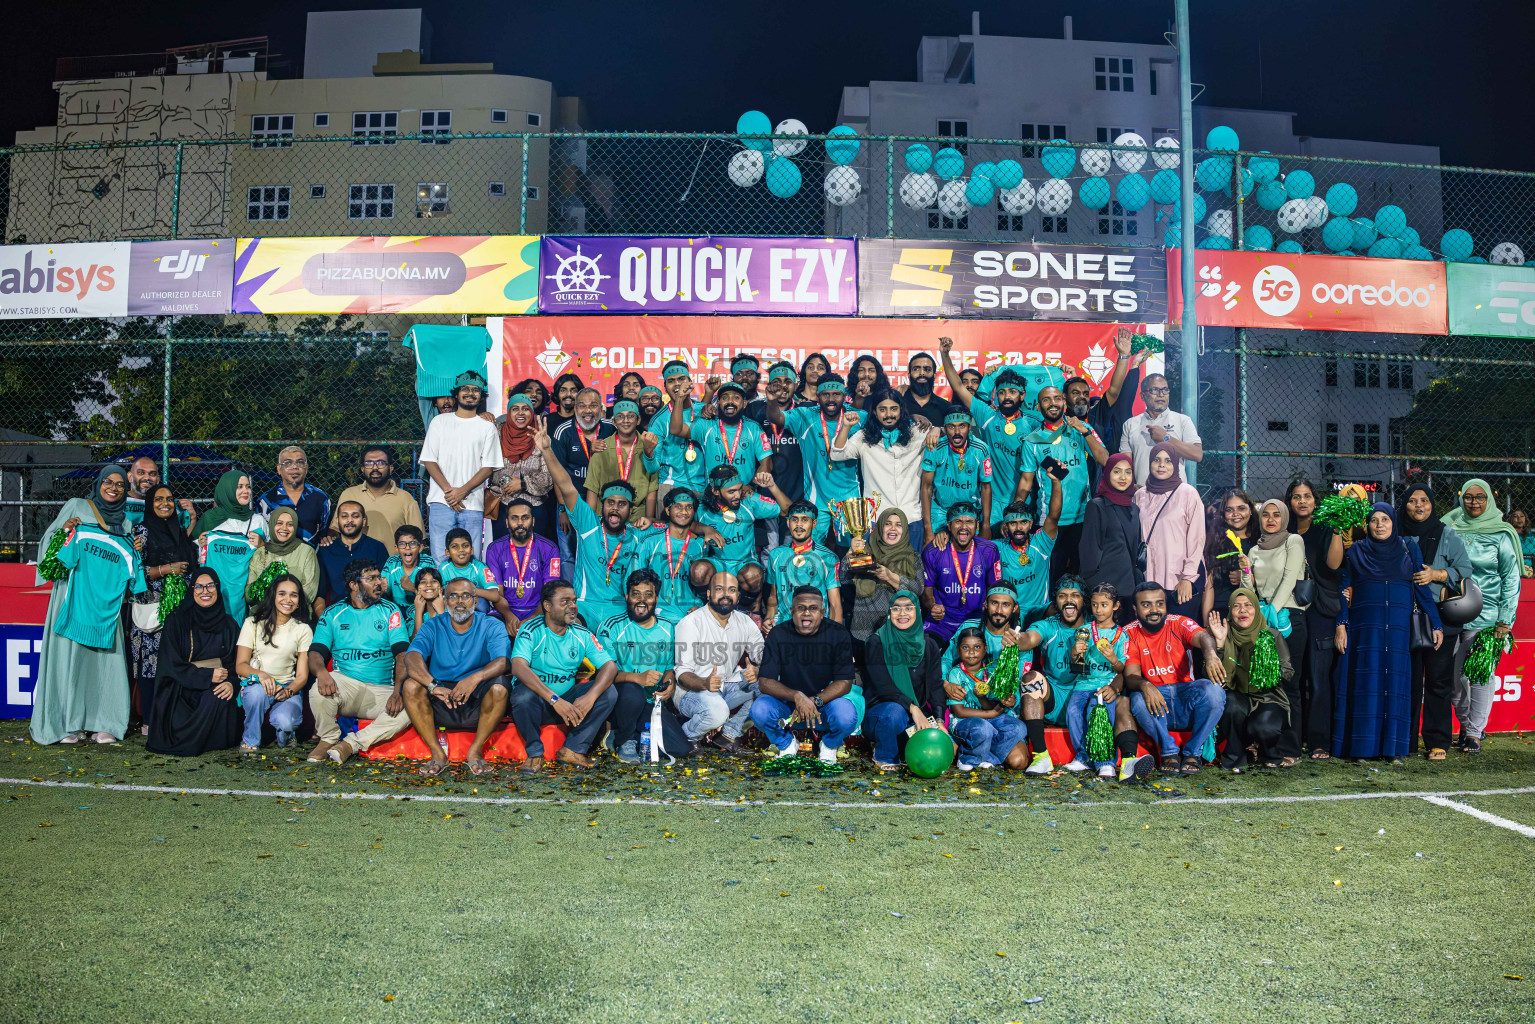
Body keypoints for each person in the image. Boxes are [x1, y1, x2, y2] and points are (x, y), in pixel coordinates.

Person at [30, 465, 145, 746]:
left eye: (120, 484)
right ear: (98, 483)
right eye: (108, 482)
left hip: (105, 605)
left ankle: (104, 722)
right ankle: (64, 724)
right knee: (68, 659)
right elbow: (48, 548)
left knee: (102, 663)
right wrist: (63, 532)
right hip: (72, 596)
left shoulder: (125, 524)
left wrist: (136, 550)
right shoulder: (77, 506)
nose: (114, 488)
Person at [1334, 503, 1444, 762]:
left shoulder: (1408, 548)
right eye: (1374, 520)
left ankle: (1393, 750)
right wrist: (1341, 624)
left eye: (1385, 519)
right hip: (1365, 630)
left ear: (1394, 523)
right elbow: (1343, 588)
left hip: (1398, 630)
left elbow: (1421, 589)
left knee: (1396, 686)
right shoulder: (1357, 551)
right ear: (1367, 525)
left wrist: (1436, 623)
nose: (1380, 525)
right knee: (1366, 685)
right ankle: (1362, 749)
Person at [1441, 479, 1523, 754]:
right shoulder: (1450, 528)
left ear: (1489, 499)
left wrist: (1505, 620)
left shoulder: (1501, 534)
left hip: (1488, 618)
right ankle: (1466, 724)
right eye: (1468, 497)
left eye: (1480, 497)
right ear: (1461, 499)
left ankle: (1474, 733)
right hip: (1452, 615)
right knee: (1453, 681)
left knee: (1480, 677)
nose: (1474, 502)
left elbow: (1511, 580)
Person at [537, 417, 643, 627]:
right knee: (569, 625)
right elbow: (566, 485)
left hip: (619, 611)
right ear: (602, 505)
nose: (615, 508)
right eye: (610, 502)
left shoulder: (637, 535)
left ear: (631, 511)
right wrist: (547, 451)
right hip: (584, 607)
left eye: (622, 504)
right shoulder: (589, 523)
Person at [401, 577, 513, 776]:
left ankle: (475, 750)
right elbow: (411, 658)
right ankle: (438, 754)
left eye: (466, 596)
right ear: (445, 601)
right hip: (441, 697)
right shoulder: (433, 625)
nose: (460, 601)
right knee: (411, 685)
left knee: (499, 686)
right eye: (453, 596)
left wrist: (474, 678)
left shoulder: (491, 624)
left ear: (475, 601)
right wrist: (433, 686)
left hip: (477, 699)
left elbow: (503, 662)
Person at [305, 559, 411, 765]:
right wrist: (322, 673)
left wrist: (398, 691)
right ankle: (328, 738)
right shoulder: (333, 613)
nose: (378, 582)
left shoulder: (391, 610)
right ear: (354, 585)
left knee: (411, 706)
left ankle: (351, 744)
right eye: (371, 578)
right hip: (346, 686)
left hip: (382, 689)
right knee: (318, 689)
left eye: (379, 577)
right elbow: (315, 653)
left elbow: (402, 655)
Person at [507, 579, 619, 770]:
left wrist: (590, 697)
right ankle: (534, 753)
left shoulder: (582, 633)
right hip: (538, 704)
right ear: (547, 606)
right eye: (565, 601)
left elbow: (610, 667)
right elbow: (518, 667)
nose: (573, 606)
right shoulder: (531, 629)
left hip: (569, 705)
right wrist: (554, 700)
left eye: (574, 601)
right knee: (522, 695)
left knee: (609, 692)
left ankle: (572, 750)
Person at [1398, 483, 1473, 759]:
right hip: (1402, 617)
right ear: (1404, 505)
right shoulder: (1395, 532)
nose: (1419, 505)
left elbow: (1465, 570)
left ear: (1432, 505)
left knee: (1438, 682)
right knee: (1407, 682)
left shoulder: (1447, 534)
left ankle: (1437, 741)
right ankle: (1404, 741)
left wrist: (1437, 574)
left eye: (1425, 500)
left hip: (1439, 617)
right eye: (1413, 501)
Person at [1122, 581, 1227, 774]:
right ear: (1135, 608)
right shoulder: (1128, 632)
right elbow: (1131, 676)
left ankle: (1193, 752)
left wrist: (1211, 655)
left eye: (1159, 603)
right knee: (1137, 699)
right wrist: (1146, 685)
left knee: (1214, 691)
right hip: (1156, 706)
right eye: (1146, 605)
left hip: (1185, 698)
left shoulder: (1178, 622)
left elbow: (1203, 637)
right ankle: (1169, 753)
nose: (1154, 610)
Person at [751, 587, 859, 763]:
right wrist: (797, 696)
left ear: (822, 612)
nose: (806, 613)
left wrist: (814, 701)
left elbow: (845, 682)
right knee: (759, 710)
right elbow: (765, 682)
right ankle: (786, 744)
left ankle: (829, 745)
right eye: (801, 608)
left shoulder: (838, 633)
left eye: (813, 608)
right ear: (792, 611)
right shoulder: (778, 634)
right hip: (789, 708)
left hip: (824, 706)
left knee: (846, 716)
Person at [939, 338, 1035, 536]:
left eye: (1012, 392)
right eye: (1002, 392)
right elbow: (958, 387)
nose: (1006, 396)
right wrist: (945, 355)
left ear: (1022, 395)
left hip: (1024, 501)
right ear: (996, 395)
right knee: (989, 550)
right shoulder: (987, 415)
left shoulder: (1033, 424)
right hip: (991, 503)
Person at [146, 570, 243, 756]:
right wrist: (206, 676)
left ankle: (210, 740)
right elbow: (170, 664)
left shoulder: (229, 625)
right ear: (192, 590)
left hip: (217, 686)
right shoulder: (177, 621)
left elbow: (236, 664)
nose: (205, 591)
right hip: (181, 688)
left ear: (217, 588)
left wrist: (232, 683)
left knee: (218, 697)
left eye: (210, 585)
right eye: (198, 586)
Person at [1018, 384, 1109, 577]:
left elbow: (1105, 460)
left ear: (1064, 402)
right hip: (1049, 521)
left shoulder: (1082, 429)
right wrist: (1016, 512)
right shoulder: (1032, 441)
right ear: (1038, 406)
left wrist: (1084, 431)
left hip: (1082, 517)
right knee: (1051, 575)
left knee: (1081, 576)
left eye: (1057, 398)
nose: (1053, 403)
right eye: (1046, 400)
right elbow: (1026, 482)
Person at [598, 569, 687, 764]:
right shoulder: (611, 626)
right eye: (636, 594)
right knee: (633, 691)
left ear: (656, 598)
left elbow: (668, 667)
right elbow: (602, 675)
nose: (641, 600)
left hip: (650, 703)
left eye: (648, 595)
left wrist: (670, 683)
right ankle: (624, 739)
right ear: (627, 596)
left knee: (680, 748)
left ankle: (620, 734)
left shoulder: (667, 628)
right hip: (620, 701)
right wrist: (637, 678)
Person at [672, 571, 764, 754]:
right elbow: (682, 674)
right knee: (718, 711)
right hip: (690, 692)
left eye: (731, 590)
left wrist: (758, 669)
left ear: (738, 596)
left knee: (769, 684)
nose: (725, 595)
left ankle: (728, 735)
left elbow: (762, 655)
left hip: (725, 685)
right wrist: (704, 682)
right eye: (719, 589)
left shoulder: (744, 621)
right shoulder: (691, 623)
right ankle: (686, 736)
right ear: (709, 594)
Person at [130, 483, 197, 734]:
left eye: (169, 499)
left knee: (174, 664)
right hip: (152, 610)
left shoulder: (178, 530)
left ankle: (172, 717)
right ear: (150, 504)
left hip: (178, 609)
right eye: (158, 499)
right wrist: (167, 569)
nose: (165, 503)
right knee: (150, 667)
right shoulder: (142, 531)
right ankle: (149, 720)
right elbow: (134, 571)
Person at [1286, 478, 1345, 759]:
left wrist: (1336, 530)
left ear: (1315, 500)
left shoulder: (1325, 527)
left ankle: (1320, 740)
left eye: (1307, 496)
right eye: (1296, 496)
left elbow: (1334, 565)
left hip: (1320, 609)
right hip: (1291, 609)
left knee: (1319, 677)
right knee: (1293, 677)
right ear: (1289, 501)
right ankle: (1293, 738)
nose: (1302, 501)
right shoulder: (1283, 529)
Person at [769, 373, 864, 547]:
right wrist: (772, 401)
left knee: (854, 549)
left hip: (849, 496)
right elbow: (777, 418)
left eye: (836, 394)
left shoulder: (858, 417)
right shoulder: (805, 415)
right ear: (817, 396)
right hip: (816, 498)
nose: (831, 399)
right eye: (825, 394)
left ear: (844, 396)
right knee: (810, 547)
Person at [420, 371, 504, 563]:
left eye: (476, 390)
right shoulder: (439, 422)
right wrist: (450, 492)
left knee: (471, 558)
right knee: (440, 557)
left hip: (472, 502)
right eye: (465, 388)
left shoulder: (487, 427)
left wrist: (462, 491)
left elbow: (488, 466)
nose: (470, 393)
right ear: (456, 393)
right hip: (441, 500)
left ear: (481, 396)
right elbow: (429, 460)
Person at [1208, 588, 1295, 771]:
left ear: (1256, 608)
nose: (1243, 610)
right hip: (1236, 694)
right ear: (1230, 610)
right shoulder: (1222, 634)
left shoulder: (1271, 635)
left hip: (1268, 697)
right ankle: (1236, 757)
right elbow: (1209, 674)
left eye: (1248, 605)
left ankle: (1269, 753)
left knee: (1264, 726)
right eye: (1236, 606)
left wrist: (1268, 669)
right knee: (1231, 706)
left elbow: (1288, 672)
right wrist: (1220, 645)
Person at [1246, 497, 1307, 757]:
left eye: (1276, 514)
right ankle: (1266, 746)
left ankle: (1290, 749)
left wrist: (1274, 611)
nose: (1271, 519)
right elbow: (1250, 590)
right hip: (1263, 619)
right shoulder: (1254, 550)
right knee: (1265, 683)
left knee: (1289, 684)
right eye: (1265, 514)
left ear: (1284, 517)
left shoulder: (1293, 541)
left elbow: (1290, 578)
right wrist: (1245, 572)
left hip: (1289, 617)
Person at [831, 392, 931, 548]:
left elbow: (948, 432)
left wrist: (936, 430)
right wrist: (846, 427)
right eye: (882, 409)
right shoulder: (864, 437)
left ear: (901, 410)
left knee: (912, 563)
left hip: (911, 518)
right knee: (875, 564)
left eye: (893, 409)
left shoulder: (918, 433)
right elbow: (837, 454)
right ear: (875, 412)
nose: (888, 414)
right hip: (876, 519)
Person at [860, 591, 945, 770]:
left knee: (938, 745)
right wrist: (913, 708)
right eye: (896, 609)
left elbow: (936, 686)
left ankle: (896, 744)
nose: (902, 613)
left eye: (908, 608)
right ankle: (885, 755)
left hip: (914, 714)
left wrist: (939, 720)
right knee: (894, 713)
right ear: (889, 612)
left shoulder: (928, 645)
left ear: (918, 612)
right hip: (882, 713)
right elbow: (883, 686)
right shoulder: (877, 642)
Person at [1070, 584, 1147, 780]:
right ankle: (1084, 757)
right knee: (1072, 712)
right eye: (1094, 604)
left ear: (1115, 606)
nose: (1098, 609)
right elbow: (1076, 665)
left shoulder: (1121, 635)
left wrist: (1113, 658)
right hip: (1083, 683)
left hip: (1106, 683)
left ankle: (1106, 762)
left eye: (1104, 605)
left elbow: (1122, 670)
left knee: (1098, 715)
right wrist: (1075, 653)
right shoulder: (1084, 631)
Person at [235, 574, 313, 752]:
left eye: (294, 595)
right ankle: (250, 741)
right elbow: (240, 665)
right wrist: (261, 675)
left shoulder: (303, 629)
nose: (288, 599)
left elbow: (302, 676)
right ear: (273, 596)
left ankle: (288, 734)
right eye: (282, 594)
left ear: (299, 601)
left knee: (285, 723)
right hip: (258, 683)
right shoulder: (252, 623)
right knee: (256, 695)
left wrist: (288, 691)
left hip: (287, 685)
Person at [1134, 444, 1205, 621]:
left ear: (1175, 464)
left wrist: (1188, 579)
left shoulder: (1187, 493)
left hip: (1179, 580)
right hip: (1150, 578)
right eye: (1156, 460)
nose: (1161, 465)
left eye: (1168, 461)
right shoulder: (1140, 495)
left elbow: (1197, 539)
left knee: (1180, 631)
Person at [1065, 327, 1142, 490]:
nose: (1082, 397)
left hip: (1094, 489)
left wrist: (1124, 356)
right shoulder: (1058, 421)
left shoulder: (1096, 416)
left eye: (1085, 394)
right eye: (1075, 393)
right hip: (1066, 488)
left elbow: (1114, 391)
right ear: (1064, 397)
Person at [668, 378, 771, 494]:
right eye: (725, 398)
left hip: (744, 495)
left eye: (736, 398)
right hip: (714, 496)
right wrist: (679, 399)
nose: (730, 401)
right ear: (718, 403)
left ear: (744, 404)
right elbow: (676, 430)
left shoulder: (754, 428)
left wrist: (751, 485)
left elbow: (766, 463)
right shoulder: (707, 425)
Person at [841, 508, 922, 654]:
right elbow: (843, 578)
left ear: (904, 529)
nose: (893, 528)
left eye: (898, 524)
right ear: (879, 527)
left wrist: (889, 576)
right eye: (887, 523)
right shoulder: (864, 551)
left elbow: (917, 589)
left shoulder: (912, 557)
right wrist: (850, 553)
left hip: (896, 634)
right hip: (862, 631)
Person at [195, 469, 268, 625]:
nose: (246, 491)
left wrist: (262, 545)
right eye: (239, 487)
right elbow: (195, 558)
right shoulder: (210, 518)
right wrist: (200, 546)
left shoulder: (257, 521)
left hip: (246, 596)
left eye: (248, 487)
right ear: (227, 489)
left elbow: (271, 556)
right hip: (214, 594)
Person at [922, 501, 1002, 644]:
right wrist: (932, 605)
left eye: (969, 522)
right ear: (949, 526)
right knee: (927, 647)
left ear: (977, 526)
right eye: (958, 521)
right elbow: (926, 589)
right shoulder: (933, 551)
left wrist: (988, 604)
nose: (964, 527)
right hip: (942, 623)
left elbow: (994, 587)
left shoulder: (989, 550)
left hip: (976, 621)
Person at [484, 496, 561, 634]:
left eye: (525, 518)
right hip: (505, 610)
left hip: (539, 611)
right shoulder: (494, 549)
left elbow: (549, 592)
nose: (520, 523)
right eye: (514, 518)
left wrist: (533, 618)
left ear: (533, 521)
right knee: (490, 627)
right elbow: (497, 594)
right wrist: (508, 616)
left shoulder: (550, 548)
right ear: (507, 522)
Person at [329, 447, 424, 557]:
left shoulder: (406, 498)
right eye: (369, 463)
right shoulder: (349, 495)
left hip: (392, 564)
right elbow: (335, 530)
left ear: (391, 468)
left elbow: (417, 538)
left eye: (381, 463)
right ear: (362, 469)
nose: (375, 467)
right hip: (355, 563)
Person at [636, 488, 712, 623]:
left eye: (689, 507)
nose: (684, 511)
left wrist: (704, 609)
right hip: (658, 616)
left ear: (694, 512)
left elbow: (710, 587)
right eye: (678, 506)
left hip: (692, 615)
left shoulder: (702, 544)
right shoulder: (650, 542)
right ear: (667, 510)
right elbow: (634, 581)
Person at [696, 465, 789, 575]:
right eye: (731, 492)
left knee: (754, 574)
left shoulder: (748, 500)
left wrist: (772, 486)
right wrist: (705, 529)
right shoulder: (703, 508)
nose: (738, 495)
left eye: (739, 488)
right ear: (716, 491)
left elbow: (787, 511)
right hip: (717, 563)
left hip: (745, 564)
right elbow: (686, 523)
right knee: (699, 570)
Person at [763, 500, 843, 626]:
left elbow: (835, 604)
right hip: (784, 625)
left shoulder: (828, 558)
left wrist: (836, 633)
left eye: (805, 520)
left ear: (814, 524)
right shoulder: (776, 555)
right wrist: (768, 619)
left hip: (816, 627)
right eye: (794, 519)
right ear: (788, 523)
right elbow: (773, 597)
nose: (799, 524)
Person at [1080, 453, 1141, 613]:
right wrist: (1094, 584)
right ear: (1107, 473)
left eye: (1128, 472)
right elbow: (1088, 550)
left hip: (1128, 586)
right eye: (1117, 471)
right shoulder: (1096, 506)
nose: (1123, 477)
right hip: (1103, 588)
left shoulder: (1134, 509)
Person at [995, 483, 1062, 626]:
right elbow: (971, 543)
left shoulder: (1041, 543)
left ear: (1031, 524)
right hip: (1011, 612)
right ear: (1005, 526)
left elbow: (1054, 515)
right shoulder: (997, 548)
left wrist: (1056, 482)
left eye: (1023, 522)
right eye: (1013, 523)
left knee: (1057, 607)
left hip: (1039, 611)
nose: (1019, 528)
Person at [921, 411, 993, 545]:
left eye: (962, 426)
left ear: (969, 427)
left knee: (975, 551)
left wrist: (986, 524)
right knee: (931, 549)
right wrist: (927, 528)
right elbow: (926, 487)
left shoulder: (981, 449)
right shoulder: (935, 447)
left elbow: (986, 487)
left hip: (969, 510)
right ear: (944, 428)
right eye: (951, 426)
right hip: (941, 509)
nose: (957, 432)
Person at [1118, 373, 1203, 486]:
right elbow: (1125, 464)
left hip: (1175, 493)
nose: (1161, 394)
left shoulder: (1182, 420)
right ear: (1142, 396)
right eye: (1154, 390)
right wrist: (1132, 487)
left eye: (1165, 390)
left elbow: (1197, 454)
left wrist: (1165, 438)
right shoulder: (1130, 424)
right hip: (1143, 492)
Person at [494, 393, 556, 541]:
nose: (520, 413)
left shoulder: (541, 436)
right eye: (515, 409)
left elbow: (548, 478)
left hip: (536, 508)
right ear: (509, 412)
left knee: (536, 551)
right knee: (503, 551)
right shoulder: (496, 434)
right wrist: (507, 483)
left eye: (525, 409)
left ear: (532, 412)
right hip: (503, 506)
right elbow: (488, 469)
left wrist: (522, 483)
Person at [586, 399, 658, 526]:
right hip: (606, 518)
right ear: (613, 421)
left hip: (637, 519)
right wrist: (590, 524)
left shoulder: (648, 447)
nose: (625, 420)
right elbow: (592, 489)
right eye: (620, 416)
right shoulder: (601, 448)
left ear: (638, 420)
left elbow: (652, 490)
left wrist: (649, 519)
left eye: (631, 416)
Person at [645, 361, 708, 501]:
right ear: (665, 387)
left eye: (681, 379)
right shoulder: (659, 420)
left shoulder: (704, 410)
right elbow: (652, 468)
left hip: (703, 488)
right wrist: (648, 453)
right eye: (671, 381)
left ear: (690, 383)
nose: (677, 384)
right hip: (670, 487)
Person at [315, 501, 389, 613]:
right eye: (344, 516)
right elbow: (320, 596)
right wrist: (325, 621)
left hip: (373, 613)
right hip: (338, 615)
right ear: (337, 521)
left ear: (364, 521)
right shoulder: (325, 551)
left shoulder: (377, 548)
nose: (349, 520)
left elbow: (386, 588)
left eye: (355, 516)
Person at [1202, 488, 1262, 627]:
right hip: (1221, 610)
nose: (1235, 514)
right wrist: (1206, 624)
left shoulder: (1260, 541)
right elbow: (1208, 585)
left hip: (1251, 611)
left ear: (1250, 510)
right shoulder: (1215, 542)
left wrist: (1247, 576)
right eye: (1229, 510)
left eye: (1241, 508)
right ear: (1223, 514)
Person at [246, 507, 320, 614]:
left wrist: (282, 608)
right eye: (279, 523)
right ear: (272, 524)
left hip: (295, 617)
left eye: (290, 524)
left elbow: (309, 594)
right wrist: (265, 579)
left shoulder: (306, 552)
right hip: (263, 615)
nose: (284, 528)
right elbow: (249, 597)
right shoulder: (260, 553)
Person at [258, 446, 331, 544]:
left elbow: (324, 534)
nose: (294, 467)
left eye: (300, 462)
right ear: (279, 469)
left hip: (312, 553)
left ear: (306, 468)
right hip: (276, 553)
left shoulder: (320, 498)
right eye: (288, 463)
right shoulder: (266, 501)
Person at [437, 527, 509, 619]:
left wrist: (468, 589)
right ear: (447, 552)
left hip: (474, 609)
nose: (461, 550)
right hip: (452, 608)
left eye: (465, 546)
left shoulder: (479, 567)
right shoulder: (444, 569)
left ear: (471, 550)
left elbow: (495, 595)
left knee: (482, 603)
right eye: (455, 546)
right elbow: (439, 594)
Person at [382, 525, 436, 632]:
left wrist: (413, 588)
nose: (407, 548)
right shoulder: (392, 562)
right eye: (402, 544)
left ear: (420, 547)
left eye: (412, 543)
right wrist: (382, 589)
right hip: (397, 610)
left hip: (422, 610)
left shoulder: (427, 562)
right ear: (396, 548)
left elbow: (433, 595)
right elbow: (384, 591)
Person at [899, 351, 955, 424]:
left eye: (927, 369)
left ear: (934, 376)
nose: (922, 373)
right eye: (916, 369)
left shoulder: (946, 407)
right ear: (909, 376)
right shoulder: (898, 403)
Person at [546, 372, 584, 436]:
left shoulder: (585, 420)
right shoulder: (547, 420)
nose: (568, 394)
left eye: (573, 390)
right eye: (563, 390)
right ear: (557, 394)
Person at [412, 566, 445, 635]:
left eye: (433, 581)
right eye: (423, 582)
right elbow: (416, 640)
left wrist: (441, 611)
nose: (429, 585)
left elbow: (454, 638)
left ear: (441, 589)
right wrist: (418, 612)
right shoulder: (412, 611)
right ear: (417, 591)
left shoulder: (451, 608)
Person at [1511, 508, 1535, 573]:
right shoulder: (1507, 536)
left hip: (1530, 569)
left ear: (1525, 520)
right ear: (1510, 519)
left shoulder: (1531, 537)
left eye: (1522, 516)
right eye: (1515, 516)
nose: (1519, 518)